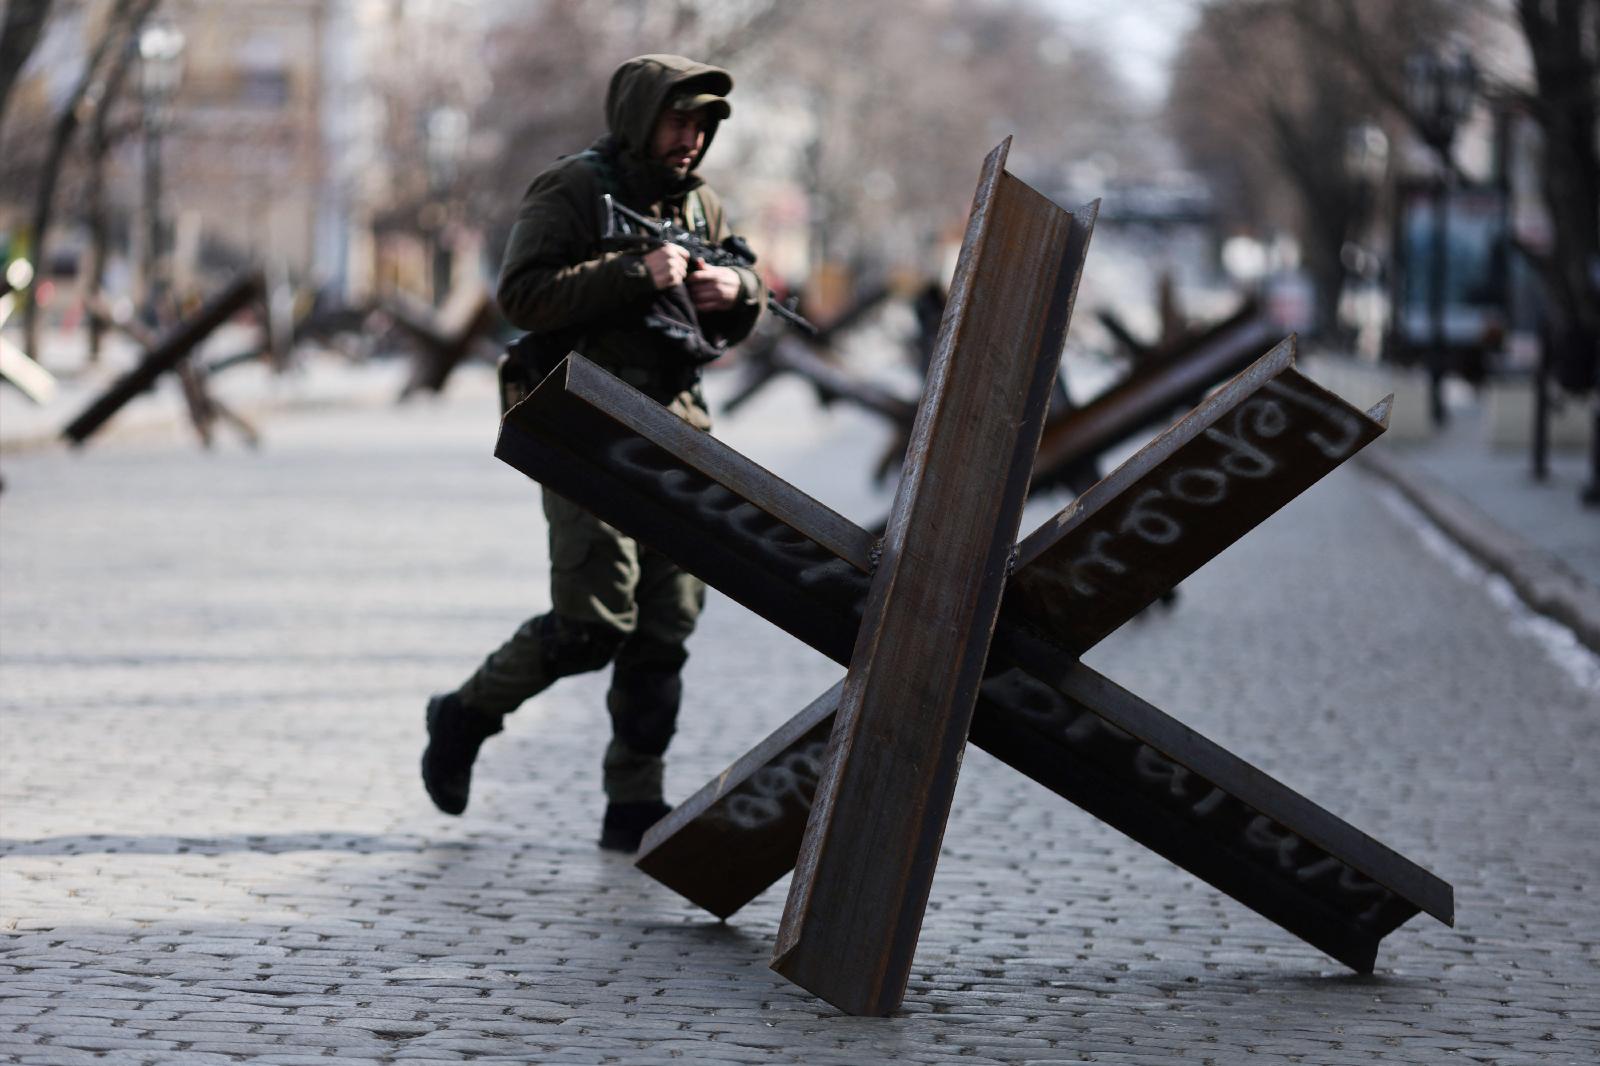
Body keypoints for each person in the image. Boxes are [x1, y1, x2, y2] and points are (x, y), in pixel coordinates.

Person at [421, 54, 764, 851]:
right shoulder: (574, 187)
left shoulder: (700, 202)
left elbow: (742, 278)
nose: (691, 137)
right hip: (584, 424)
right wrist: (633, 271)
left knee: (667, 625)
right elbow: (523, 296)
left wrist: (736, 292)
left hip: (677, 431)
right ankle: (466, 713)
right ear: (640, 117)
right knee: (592, 620)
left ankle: (634, 801)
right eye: (678, 120)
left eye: (702, 125)